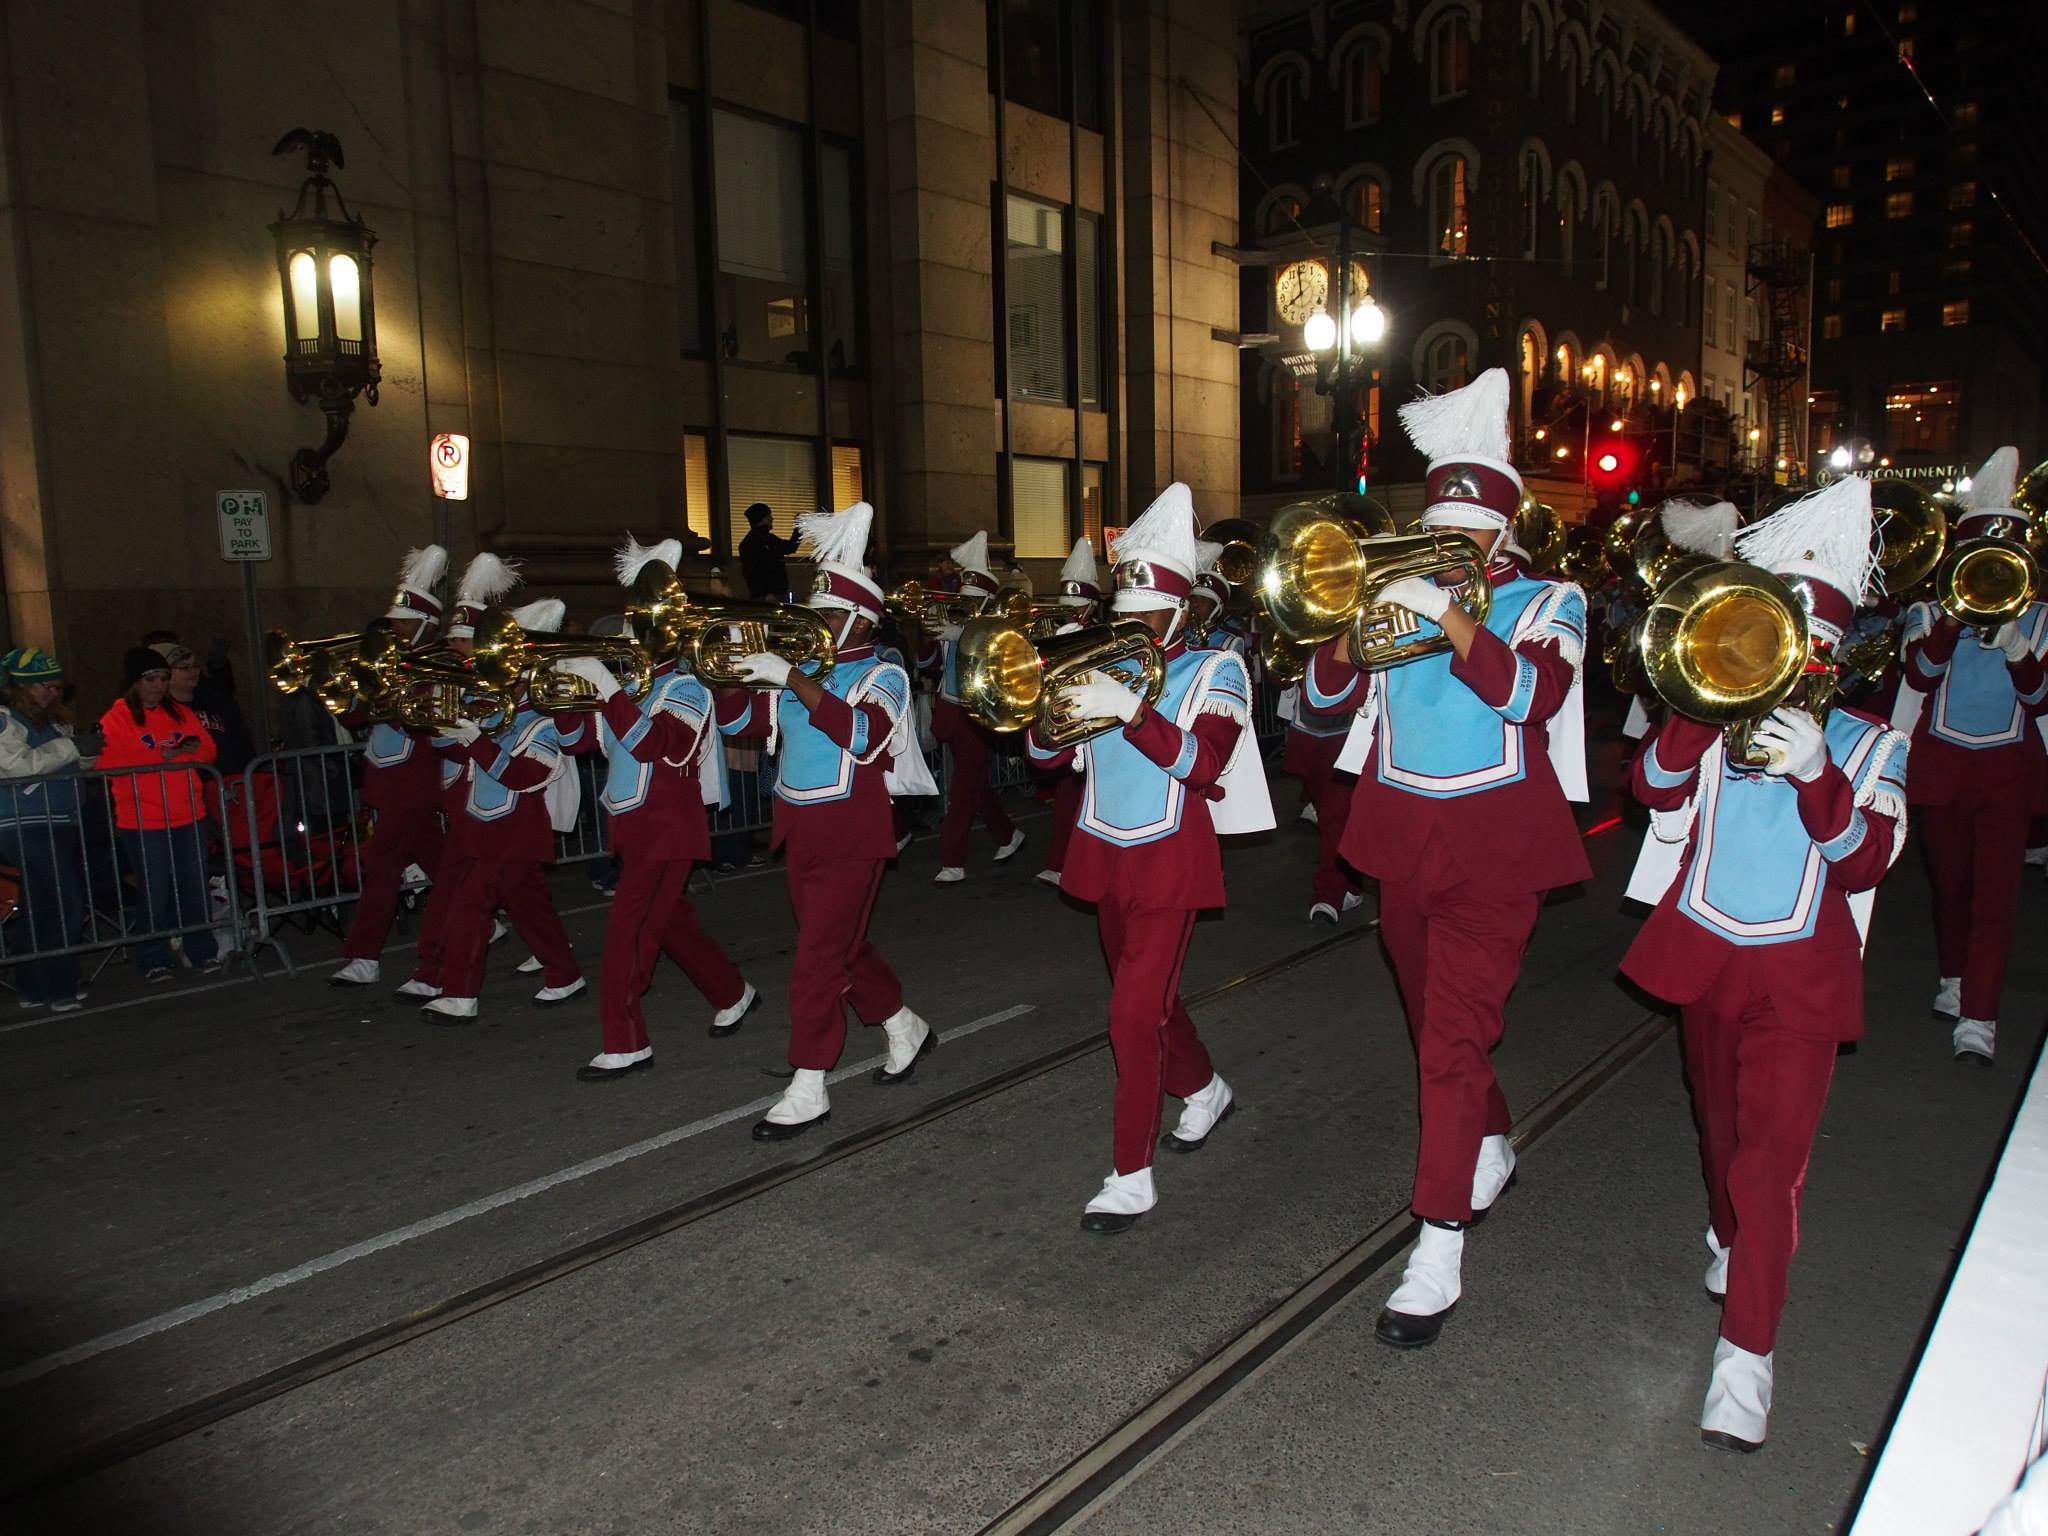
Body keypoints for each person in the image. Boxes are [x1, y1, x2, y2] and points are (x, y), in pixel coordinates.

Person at [1622, 475, 1910, 1453]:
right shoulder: (1708, 712)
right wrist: (1695, 701)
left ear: (1833, 657)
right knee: (1717, 1137)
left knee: (1769, 1171)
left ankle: (1744, 1361)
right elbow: (1652, 791)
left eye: (1808, 648)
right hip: (1704, 953)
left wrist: (1814, 773)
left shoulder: (1869, 744)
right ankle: (1726, 1236)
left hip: (1798, 977)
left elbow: (1866, 859)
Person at [1303, 368, 1589, 1347]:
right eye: (1437, 527)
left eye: (1465, 533)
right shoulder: (1394, 592)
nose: (1447, 544)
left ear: (1500, 533)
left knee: (1449, 1042)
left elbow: (1531, 699)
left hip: (1495, 848)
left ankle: (1435, 1242)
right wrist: (1357, 620)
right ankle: (1488, 1141)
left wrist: (1449, 613)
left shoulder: (1551, 599)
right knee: (1439, 1027)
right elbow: (1318, 697)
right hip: (1398, 838)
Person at [1025, 484, 1274, 1232]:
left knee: (1130, 1015)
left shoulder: (1214, 670)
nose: (1129, 622)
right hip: (1103, 854)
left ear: (1176, 610)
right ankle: (1204, 1090)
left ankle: (1131, 1174)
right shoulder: (1092, 659)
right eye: (1122, 611)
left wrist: (1132, 709)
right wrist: (1048, 700)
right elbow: (1040, 754)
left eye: (1144, 612)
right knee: (1155, 1007)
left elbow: (1203, 766)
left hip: (1170, 860)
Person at [717, 499, 936, 1140]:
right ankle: (903, 1025)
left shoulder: (882, 672)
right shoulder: (798, 676)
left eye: (829, 614)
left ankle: (809, 1082)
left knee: (816, 960)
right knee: (841, 947)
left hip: (853, 834)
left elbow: (864, 738)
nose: (814, 623)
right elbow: (741, 726)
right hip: (799, 831)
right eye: (815, 612)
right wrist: (733, 671)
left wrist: (793, 677)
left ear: (860, 622)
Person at [560, 538, 756, 1082]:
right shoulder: (628, 686)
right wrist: (561, 694)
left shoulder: (689, 689)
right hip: (632, 825)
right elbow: (580, 742)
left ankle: (625, 1041)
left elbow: (654, 745)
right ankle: (732, 991)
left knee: (630, 934)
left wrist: (608, 691)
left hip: (668, 829)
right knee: (669, 925)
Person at [1892, 446, 2048, 1066]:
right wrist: (1955, 621)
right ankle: (1955, 979)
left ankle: (1980, 1018)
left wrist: (2013, 644)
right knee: (1949, 885)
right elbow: (1922, 674)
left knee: (1996, 895)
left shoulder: (2039, 621)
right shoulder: (1927, 612)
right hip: (1945, 766)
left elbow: (2040, 697)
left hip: (2007, 771)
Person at [407, 599, 585, 1021]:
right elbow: (452, 750)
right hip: (482, 823)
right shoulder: (488, 706)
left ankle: (461, 994)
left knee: (471, 906)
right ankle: (564, 974)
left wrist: (476, 740)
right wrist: (442, 721)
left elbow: (523, 776)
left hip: (515, 829)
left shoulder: (543, 719)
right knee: (529, 908)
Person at [328, 547, 464, 987]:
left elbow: (431, 720)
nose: (394, 628)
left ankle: (364, 955)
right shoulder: (387, 659)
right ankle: (480, 916)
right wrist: (346, 692)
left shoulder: (440, 665)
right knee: (442, 866)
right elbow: (353, 718)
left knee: (383, 867)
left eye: (403, 622)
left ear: (424, 625)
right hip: (386, 780)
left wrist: (392, 697)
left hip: (416, 781)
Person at [97, 647, 224, 981]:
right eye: (151, 679)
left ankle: (202, 950)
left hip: (187, 812)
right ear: (135, 681)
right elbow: (108, 763)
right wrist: (162, 758)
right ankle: (153, 956)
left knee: (194, 885)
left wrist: (177, 755)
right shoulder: (117, 717)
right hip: (142, 819)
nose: (158, 686)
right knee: (154, 889)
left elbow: (208, 749)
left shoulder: (179, 712)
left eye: (163, 679)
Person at [925, 530, 1025, 882]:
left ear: (985, 600)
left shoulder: (998, 629)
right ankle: (1008, 834)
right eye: (964, 599)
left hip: (977, 716)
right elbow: (929, 667)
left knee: (963, 790)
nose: (966, 606)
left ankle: (952, 861)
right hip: (949, 711)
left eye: (973, 601)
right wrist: (929, 638)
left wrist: (965, 633)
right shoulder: (957, 622)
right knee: (975, 784)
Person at [0, 647, 96, 1010]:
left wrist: (87, 751)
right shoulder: (6, 720)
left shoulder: (53, 723)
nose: (53, 694)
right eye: (45, 687)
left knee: (42, 907)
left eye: (57, 687)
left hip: (58, 823)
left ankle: (34, 986)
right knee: (63, 902)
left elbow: (72, 763)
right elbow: (19, 766)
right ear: (21, 688)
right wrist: (71, 748)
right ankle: (57, 986)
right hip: (23, 825)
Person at [1037, 536, 1103, 890]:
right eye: (1066, 608)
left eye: (1076, 608)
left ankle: (1081, 865)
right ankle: (1059, 862)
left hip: (1094, 722)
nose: (1070, 614)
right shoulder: (1053, 631)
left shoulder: (1102, 635)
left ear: (1092, 607)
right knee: (1067, 798)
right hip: (1065, 720)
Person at [739, 502, 802, 601]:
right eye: (769, 516)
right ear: (761, 519)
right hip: (765, 598)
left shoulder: (770, 539)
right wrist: (765, 593)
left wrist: (798, 529)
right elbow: (752, 573)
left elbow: (790, 547)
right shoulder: (750, 543)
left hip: (778, 593)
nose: (772, 519)